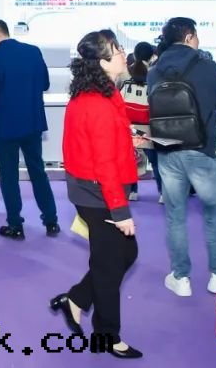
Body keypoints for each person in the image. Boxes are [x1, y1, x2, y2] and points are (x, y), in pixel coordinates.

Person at [50, 31, 144, 359]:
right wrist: (120, 211)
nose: (123, 54)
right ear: (103, 62)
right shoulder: (98, 102)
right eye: (117, 50)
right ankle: (106, 335)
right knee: (110, 263)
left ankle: (76, 299)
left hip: (92, 188)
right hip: (98, 193)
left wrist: (127, 140)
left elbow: (100, 144)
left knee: (122, 255)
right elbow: (103, 163)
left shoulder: (100, 94)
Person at [148, 17, 216, 297]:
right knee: (214, 213)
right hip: (201, 148)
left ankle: (180, 277)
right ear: (189, 37)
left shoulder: (154, 70)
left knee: (175, 216)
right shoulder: (206, 66)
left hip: (167, 149)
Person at [0, 19, 59, 240]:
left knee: (9, 175)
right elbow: (45, 84)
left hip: (7, 125)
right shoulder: (33, 51)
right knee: (38, 170)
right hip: (33, 122)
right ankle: (51, 220)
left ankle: (15, 224)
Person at [126, 42, 161, 202]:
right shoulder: (155, 73)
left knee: (130, 159)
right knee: (155, 161)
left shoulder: (125, 73)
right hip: (149, 124)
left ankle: (132, 191)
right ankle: (162, 192)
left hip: (129, 125)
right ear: (152, 55)